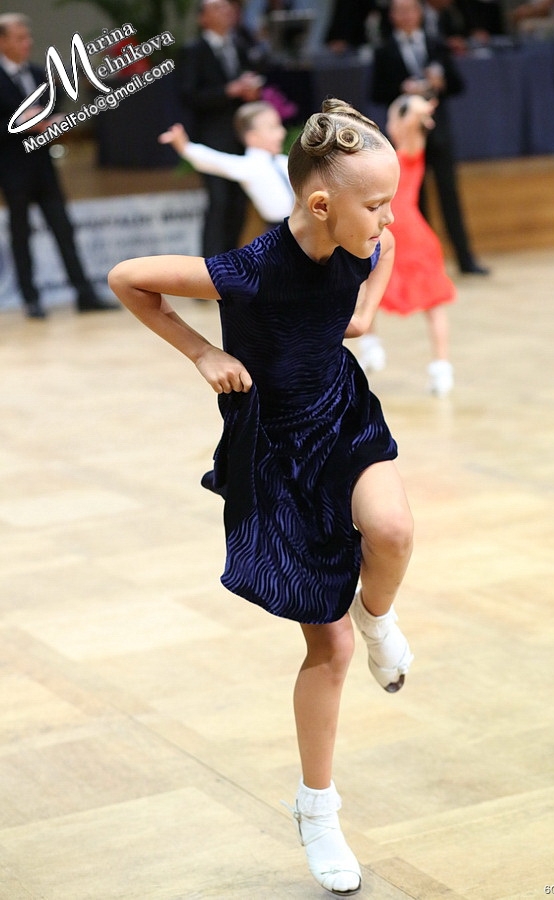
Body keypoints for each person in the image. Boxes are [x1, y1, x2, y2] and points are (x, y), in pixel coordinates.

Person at [108, 97, 414, 896]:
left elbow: (379, 263)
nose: (389, 218)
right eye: (377, 204)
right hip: (277, 454)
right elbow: (127, 279)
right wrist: (202, 352)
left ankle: (378, 617)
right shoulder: (249, 270)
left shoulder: (364, 239)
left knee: (392, 531)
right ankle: (318, 811)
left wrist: (363, 316)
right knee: (329, 650)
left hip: (343, 416)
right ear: (322, 204)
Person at [0, 12, 118, 319]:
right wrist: (21, 125)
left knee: (64, 230)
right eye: (19, 38)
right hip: (12, 169)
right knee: (21, 234)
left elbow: (51, 111)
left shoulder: (37, 73)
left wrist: (55, 122)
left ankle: (84, 294)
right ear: (2, 42)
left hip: (44, 168)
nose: (27, 43)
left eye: (28, 37)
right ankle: (31, 298)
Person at [371, 0, 490, 275]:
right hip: (408, 137)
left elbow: (458, 84)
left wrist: (440, 83)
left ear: (420, 13)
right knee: (413, 200)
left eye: (411, 9)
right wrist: (403, 88)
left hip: (438, 132)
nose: (407, 16)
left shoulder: (436, 44)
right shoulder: (384, 50)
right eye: (400, 10)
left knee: (450, 195)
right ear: (392, 16)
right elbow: (376, 92)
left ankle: (465, 259)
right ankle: (423, 263)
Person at [364, 94, 456, 396]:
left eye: (394, 117)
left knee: (432, 302)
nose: (390, 123)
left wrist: (419, 107)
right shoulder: (385, 157)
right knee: (363, 285)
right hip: (384, 233)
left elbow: (413, 114)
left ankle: (442, 368)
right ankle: (371, 346)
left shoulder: (412, 149)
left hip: (412, 238)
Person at [177, 0, 265, 257]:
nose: (226, 12)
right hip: (212, 136)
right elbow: (188, 95)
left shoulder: (241, 46)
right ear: (202, 18)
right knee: (219, 201)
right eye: (217, 8)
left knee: (239, 202)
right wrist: (227, 91)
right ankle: (209, 266)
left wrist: (250, 92)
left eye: (227, 8)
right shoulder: (194, 51)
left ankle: (230, 262)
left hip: (241, 136)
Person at [158, 101, 294, 229]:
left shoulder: (284, 161)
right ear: (253, 137)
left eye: (280, 126)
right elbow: (215, 161)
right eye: (273, 128)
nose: (282, 132)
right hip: (281, 230)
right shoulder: (249, 166)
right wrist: (185, 147)